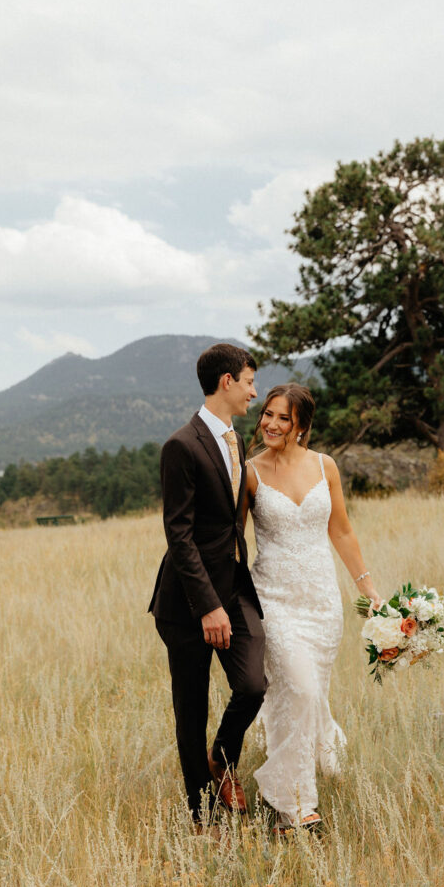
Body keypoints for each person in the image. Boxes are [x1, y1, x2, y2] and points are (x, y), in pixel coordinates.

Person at [244, 383, 382, 830]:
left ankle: (293, 784)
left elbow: (341, 531)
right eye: (267, 414)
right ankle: (294, 804)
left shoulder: (326, 466)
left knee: (306, 695)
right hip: (275, 599)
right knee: (300, 689)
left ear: (301, 424)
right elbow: (231, 541)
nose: (270, 423)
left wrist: (368, 589)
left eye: (283, 417)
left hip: (323, 603)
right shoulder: (249, 473)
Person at [149, 343, 266, 827]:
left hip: (234, 584)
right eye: (249, 382)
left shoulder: (237, 441)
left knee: (254, 684)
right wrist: (207, 607)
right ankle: (202, 816)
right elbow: (178, 533)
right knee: (190, 707)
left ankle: (222, 757)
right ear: (226, 382)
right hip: (186, 602)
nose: (253, 392)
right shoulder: (182, 444)